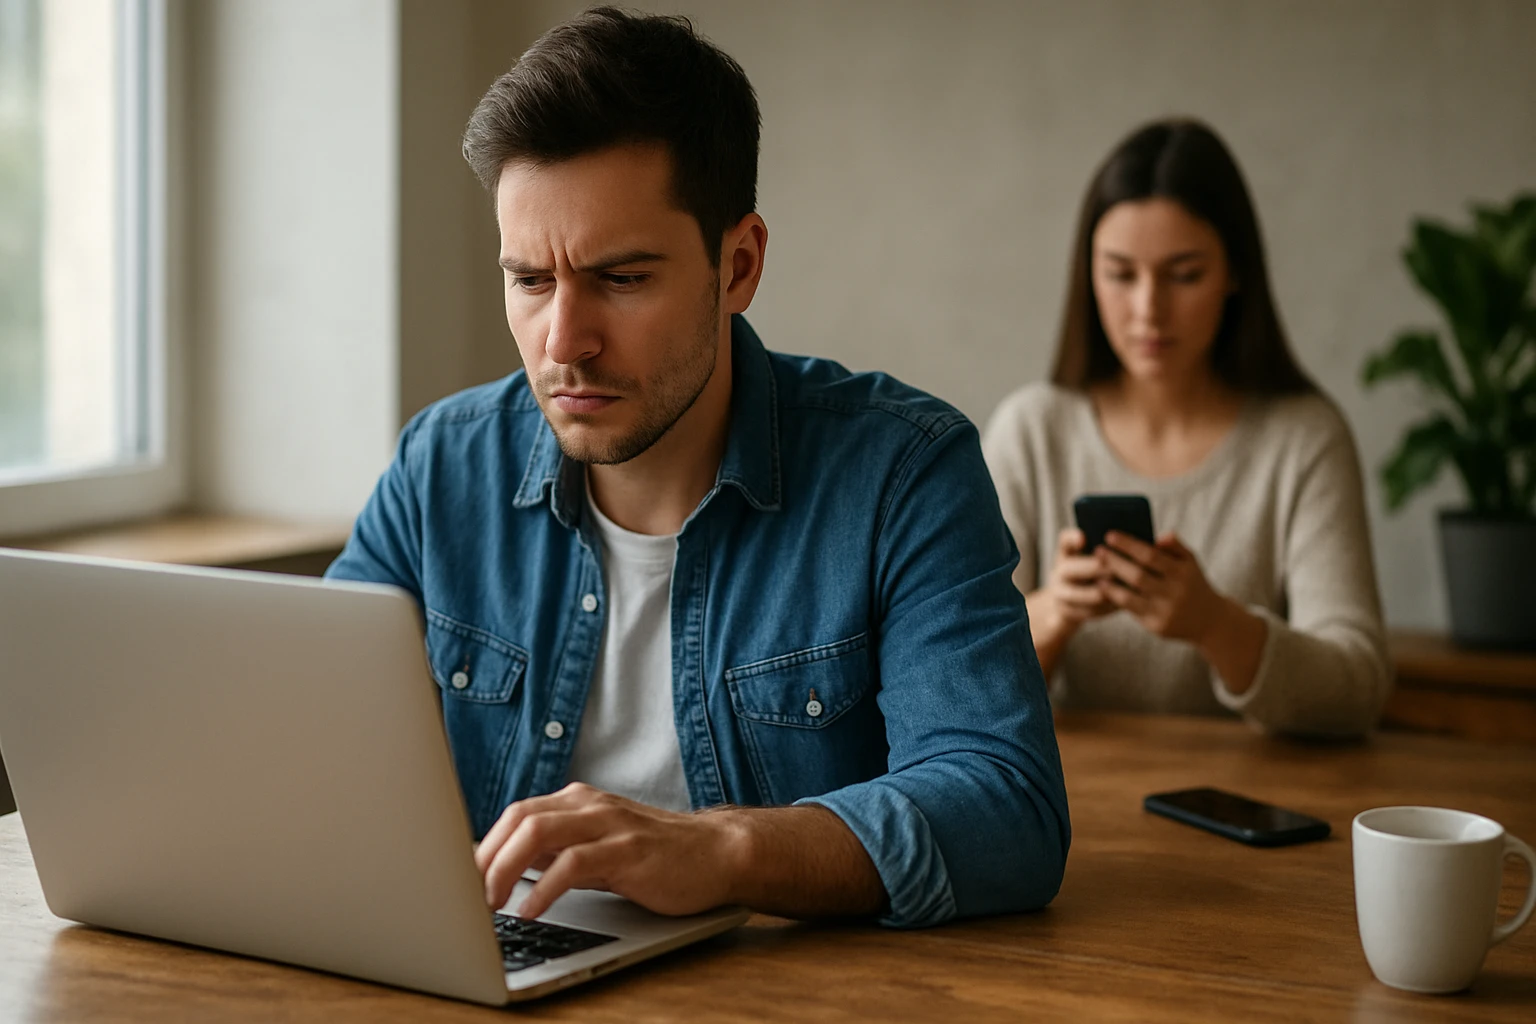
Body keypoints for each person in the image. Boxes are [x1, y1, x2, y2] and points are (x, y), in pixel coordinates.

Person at [327, 8, 1068, 929]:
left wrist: (723, 851)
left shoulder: (902, 472)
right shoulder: (440, 468)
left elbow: (1006, 806)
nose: (566, 342)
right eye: (530, 280)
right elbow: (309, 745)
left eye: (622, 278)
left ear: (740, 264)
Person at [981, 119, 1390, 738]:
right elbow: (960, 686)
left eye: (1184, 274)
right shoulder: (1031, 430)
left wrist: (1214, 623)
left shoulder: (1304, 438)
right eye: (1120, 274)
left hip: (1258, 805)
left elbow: (1358, 689)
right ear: (1087, 277)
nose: (1149, 309)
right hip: (1068, 809)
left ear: (1235, 273)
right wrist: (1054, 611)